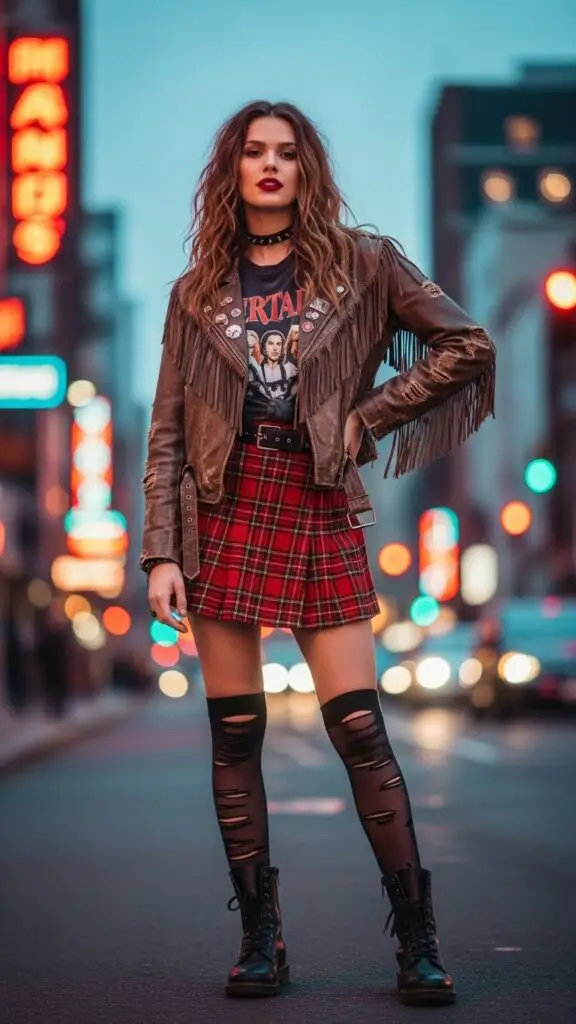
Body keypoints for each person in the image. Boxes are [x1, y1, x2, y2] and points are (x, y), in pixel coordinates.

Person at [140, 100, 496, 1004]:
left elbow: (466, 343)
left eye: (286, 153)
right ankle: (261, 938)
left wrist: (366, 417)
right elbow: (168, 436)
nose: (270, 166)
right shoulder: (196, 291)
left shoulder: (363, 263)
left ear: (306, 170)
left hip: (318, 498)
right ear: (233, 169)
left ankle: (417, 939)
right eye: (254, 152)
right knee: (236, 736)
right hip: (221, 512)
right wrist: (160, 556)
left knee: (360, 732)